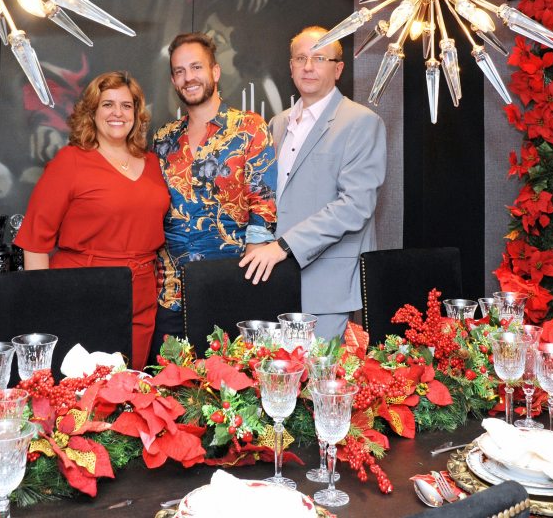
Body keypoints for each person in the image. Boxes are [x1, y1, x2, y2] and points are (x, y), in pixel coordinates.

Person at [14, 71, 169, 370]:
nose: (117, 113)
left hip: (142, 294)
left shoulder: (152, 163)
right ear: (92, 112)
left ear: (136, 114)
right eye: (107, 104)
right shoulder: (70, 161)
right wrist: (44, 306)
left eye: (126, 105)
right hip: (82, 290)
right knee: (84, 387)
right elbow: (34, 242)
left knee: (130, 382)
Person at [240, 26, 387, 341]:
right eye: (300, 58)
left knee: (320, 372)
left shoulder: (361, 122)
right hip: (276, 279)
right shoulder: (277, 124)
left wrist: (284, 245)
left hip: (327, 287)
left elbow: (355, 206)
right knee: (272, 370)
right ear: (291, 66)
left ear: (338, 69)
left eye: (319, 58)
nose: (308, 67)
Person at [151, 32, 278, 355]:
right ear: (173, 80)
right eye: (179, 71)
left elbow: (263, 201)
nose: (188, 77)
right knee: (168, 381)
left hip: (231, 283)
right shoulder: (163, 138)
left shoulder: (249, 127)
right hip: (172, 292)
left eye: (196, 67)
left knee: (229, 381)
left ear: (215, 72)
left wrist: (249, 273)